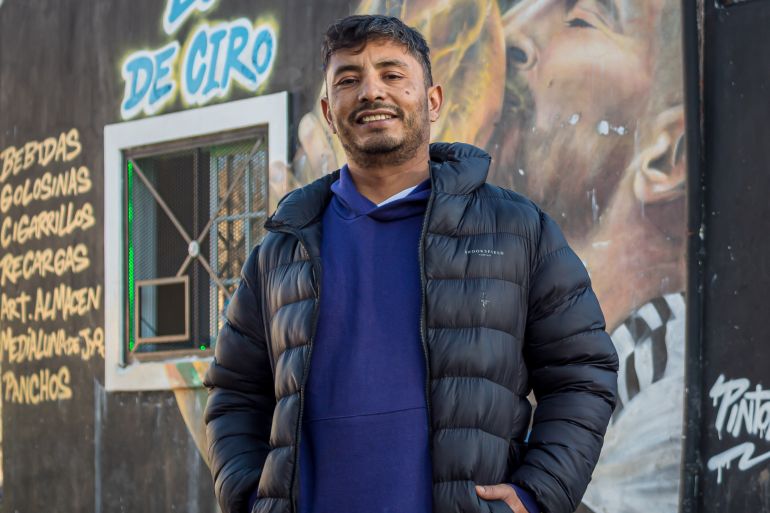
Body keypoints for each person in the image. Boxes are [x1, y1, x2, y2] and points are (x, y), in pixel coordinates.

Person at [204, 14, 618, 513]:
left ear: (433, 100)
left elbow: (581, 372)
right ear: (328, 111)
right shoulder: (281, 249)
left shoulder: (517, 228)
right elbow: (233, 394)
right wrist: (250, 497)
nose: (370, 91)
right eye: (348, 80)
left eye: (392, 74)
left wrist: (536, 493)